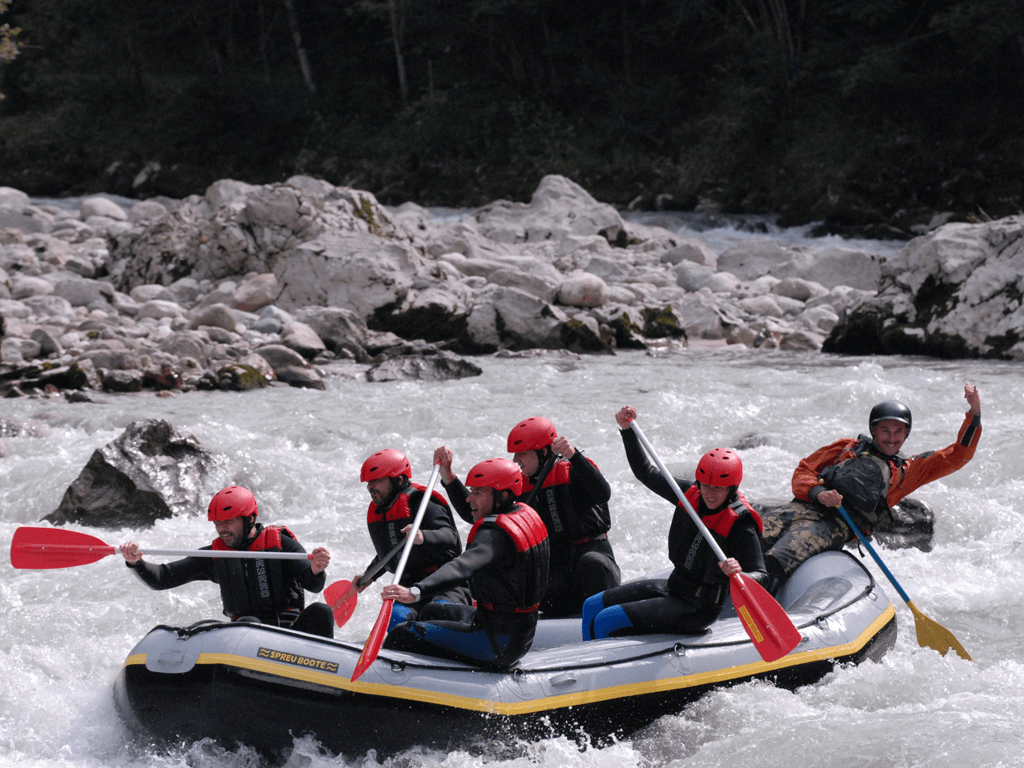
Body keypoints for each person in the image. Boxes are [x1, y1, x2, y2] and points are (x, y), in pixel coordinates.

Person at [760, 382, 983, 594]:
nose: (892, 438)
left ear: (907, 433)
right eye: (885, 430)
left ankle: (757, 602)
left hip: (836, 525)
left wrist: (974, 414)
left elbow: (959, 455)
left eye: (899, 432)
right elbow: (804, 470)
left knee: (779, 558)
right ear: (873, 430)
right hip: (802, 508)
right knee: (751, 536)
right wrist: (818, 492)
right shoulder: (846, 447)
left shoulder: (909, 471)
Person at [582, 406, 767, 640]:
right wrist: (628, 430)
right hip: (674, 587)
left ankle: (598, 670)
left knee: (607, 619)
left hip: (699, 607)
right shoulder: (689, 495)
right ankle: (586, 654)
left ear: (732, 488)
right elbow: (645, 472)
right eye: (706, 486)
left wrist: (739, 573)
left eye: (719, 489)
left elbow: (761, 575)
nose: (710, 494)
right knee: (592, 605)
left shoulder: (741, 523)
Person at [435, 416, 619, 617]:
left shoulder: (574, 469)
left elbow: (602, 493)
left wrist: (575, 456)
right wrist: (449, 477)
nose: (515, 460)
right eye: (515, 454)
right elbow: (476, 513)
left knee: (592, 564)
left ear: (544, 451)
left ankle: (602, 618)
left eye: (522, 453)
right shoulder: (519, 484)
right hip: (556, 570)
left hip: (593, 563)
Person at [381, 458, 550, 669]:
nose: (469, 498)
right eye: (471, 491)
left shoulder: (494, 536)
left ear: (503, 495)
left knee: (402, 634)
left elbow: (461, 566)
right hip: (513, 629)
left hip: (495, 642)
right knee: (432, 611)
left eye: (478, 492)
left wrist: (414, 592)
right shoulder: (523, 513)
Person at [118, 485, 334, 638]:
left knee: (321, 611)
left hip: (293, 635)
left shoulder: (281, 545)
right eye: (217, 523)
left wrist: (316, 569)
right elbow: (163, 578)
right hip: (246, 637)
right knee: (248, 624)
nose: (222, 528)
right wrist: (136, 563)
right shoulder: (215, 554)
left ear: (249, 518)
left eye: (228, 521)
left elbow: (313, 584)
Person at [351, 449, 468, 620]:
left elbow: (450, 537)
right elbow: (392, 550)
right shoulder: (383, 510)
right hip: (409, 586)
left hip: (444, 583)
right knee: (395, 619)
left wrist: (422, 537)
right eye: (369, 482)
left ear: (398, 480)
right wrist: (370, 575)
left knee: (437, 615)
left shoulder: (422, 502)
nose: (370, 486)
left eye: (377, 480)